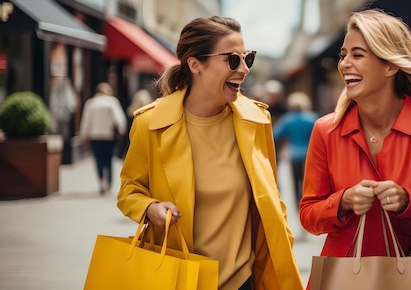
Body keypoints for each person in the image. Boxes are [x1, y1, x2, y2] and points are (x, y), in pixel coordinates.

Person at [116, 16, 303, 290]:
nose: (244, 69)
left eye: (247, 59)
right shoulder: (151, 123)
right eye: (232, 60)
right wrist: (149, 208)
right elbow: (128, 191)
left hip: (243, 280)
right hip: (177, 277)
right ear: (195, 64)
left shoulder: (256, 121)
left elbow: (271, 199)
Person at [299, 9, 411, 287]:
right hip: (341, 277)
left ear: (390, 65)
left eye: (357, 55)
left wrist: (407, 203)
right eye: (343, 54)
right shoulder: (326, 130)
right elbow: (308, 216)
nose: (344, 64)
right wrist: (343, 201)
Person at [79, 82, 127, 195]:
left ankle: (101, 181)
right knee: (109, 159)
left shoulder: (90, 103)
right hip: (109, 135)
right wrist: (121, 131)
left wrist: (83, 135)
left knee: (98, 159)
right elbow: (120, 119)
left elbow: (86, 121)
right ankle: (109, 182)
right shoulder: (112, 102)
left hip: (95, 136)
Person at [273, 92, 318, 207]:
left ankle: (300, 206)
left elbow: (275, 135)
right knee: (309, 183)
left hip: (294, 155)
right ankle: (310, 204)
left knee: (296, 182)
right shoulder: (312, 118)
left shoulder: (287, 119)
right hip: (310, 156)